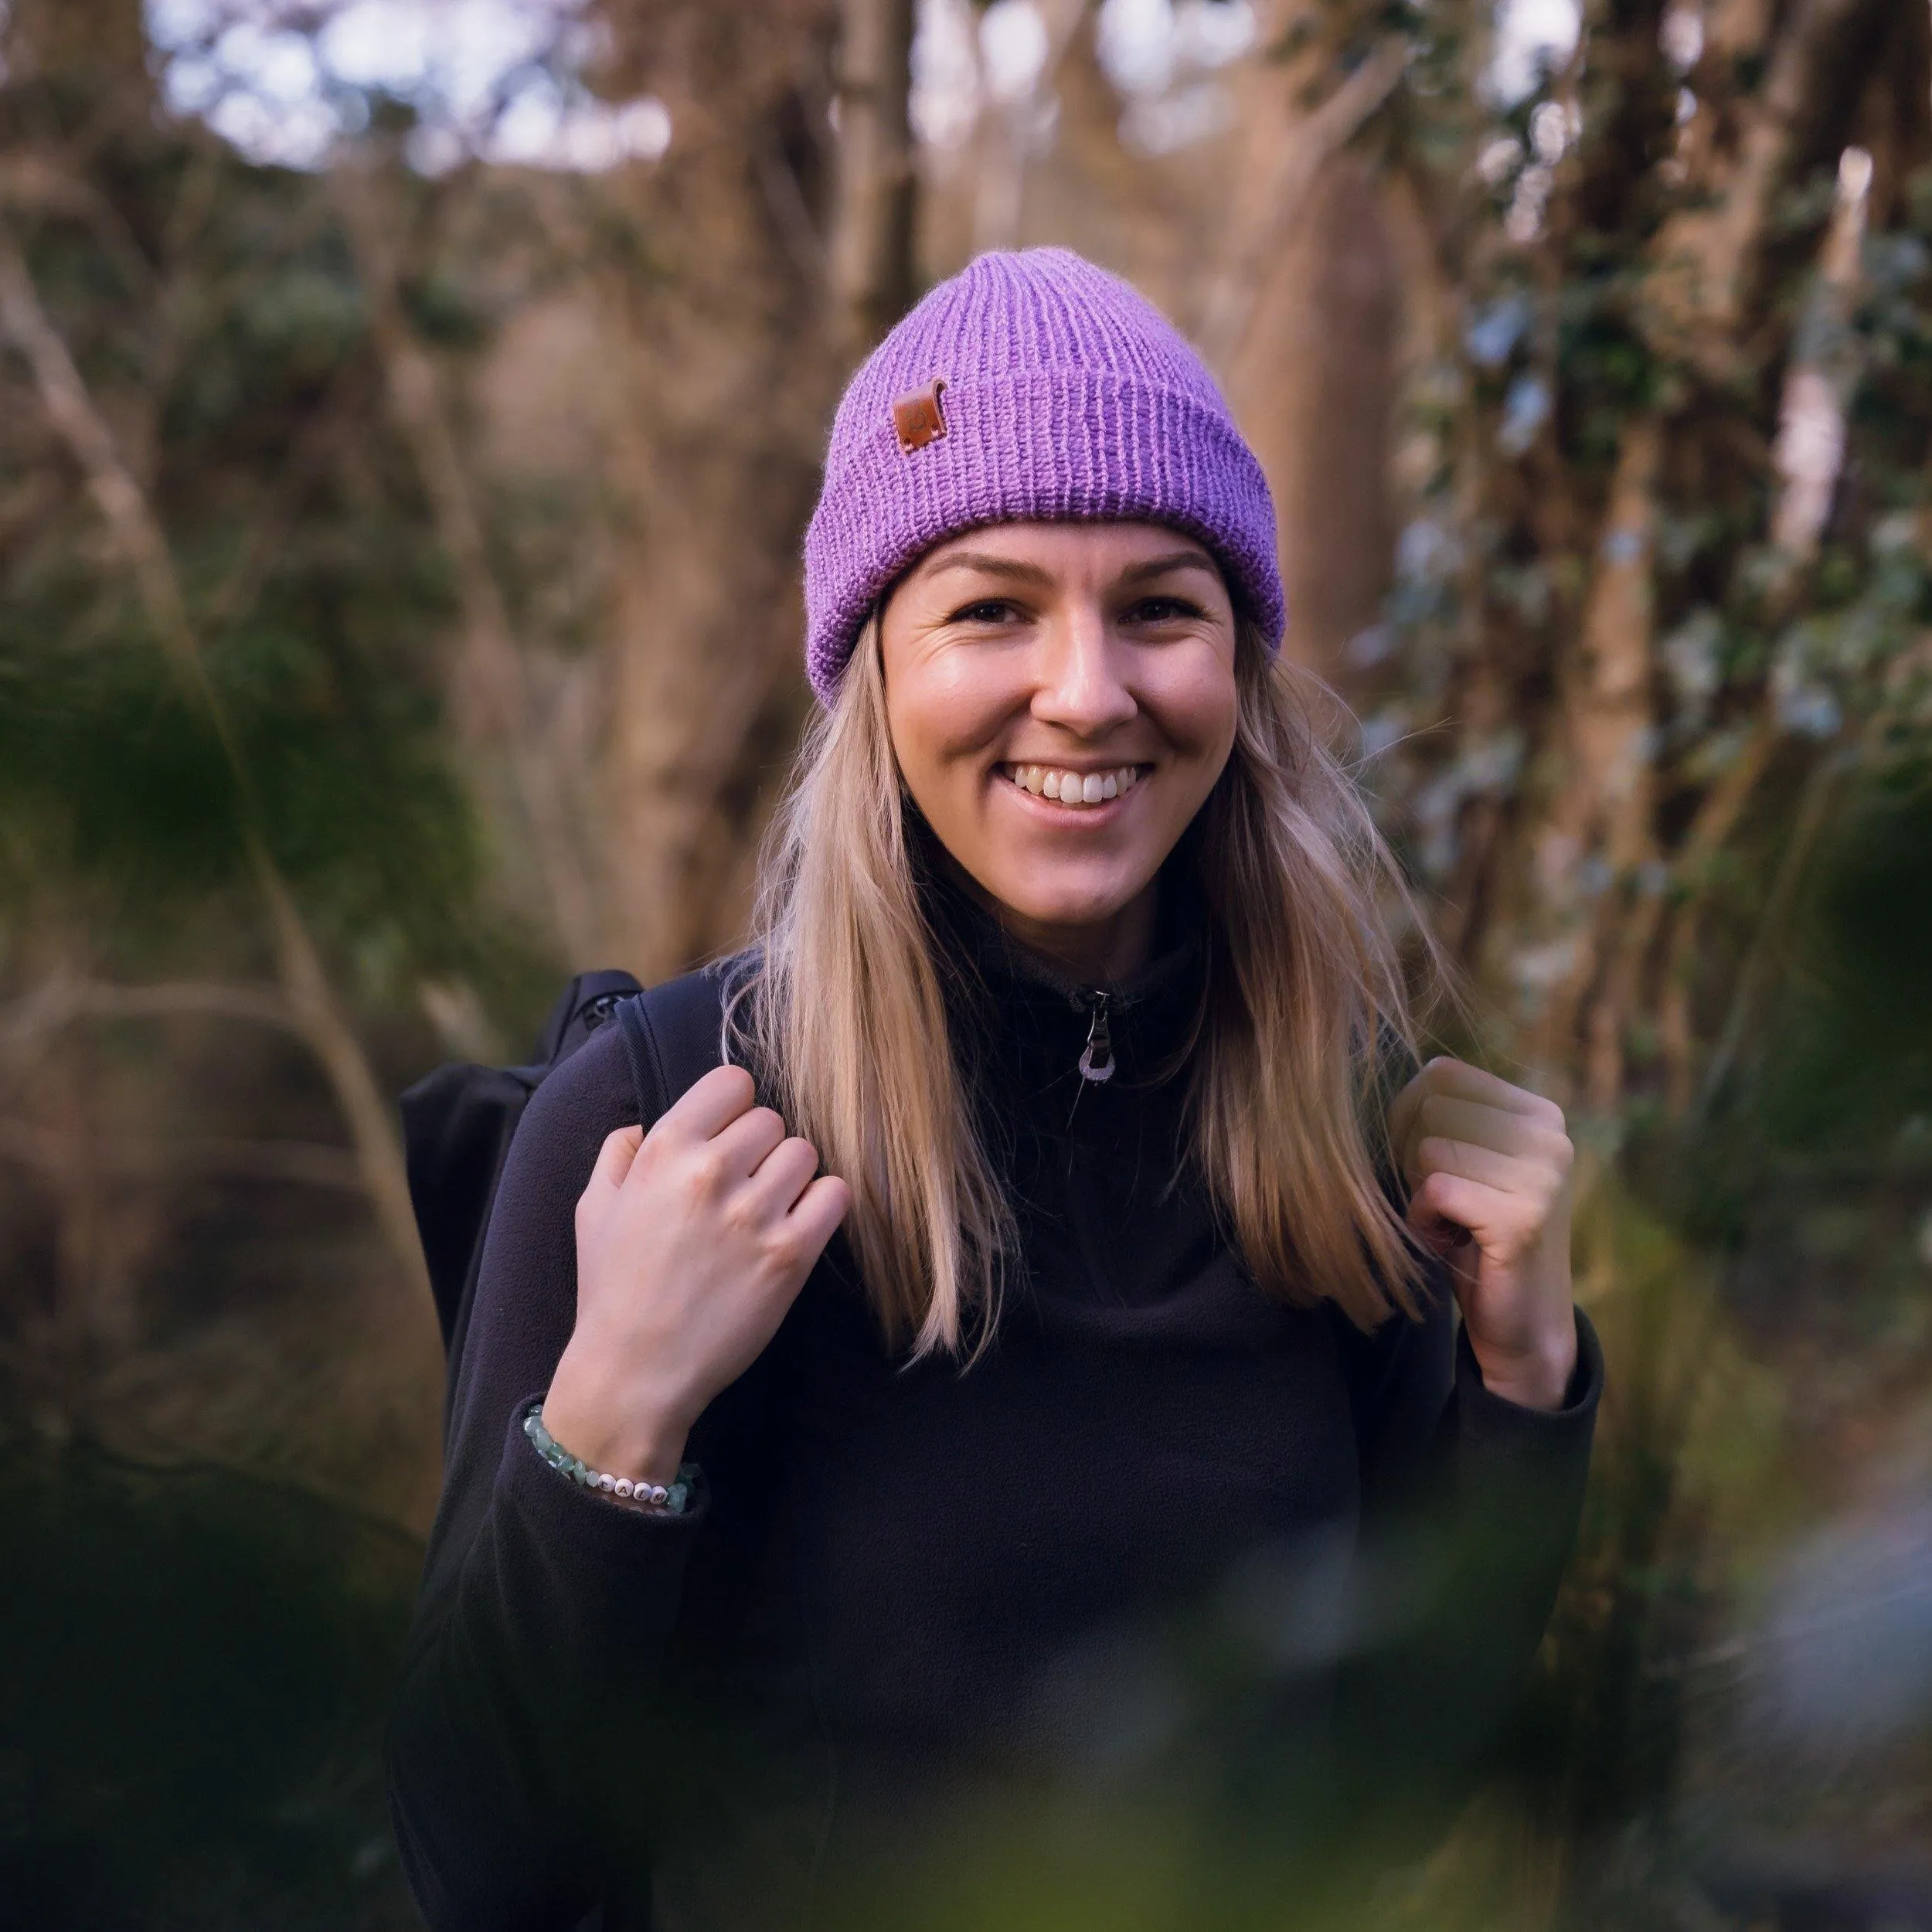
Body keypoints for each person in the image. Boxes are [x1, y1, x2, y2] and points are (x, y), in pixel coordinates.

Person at [386, 247, 1601, 1932]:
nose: (1086, 689)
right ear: (874, 664)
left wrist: (1522, 1384)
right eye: (991, 607)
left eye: (1160, 606)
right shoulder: (661, 1115)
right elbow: (479, 1868)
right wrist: (609, 1423)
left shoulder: (1347, 1140)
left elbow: (1390, 1799)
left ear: (1234, 671)